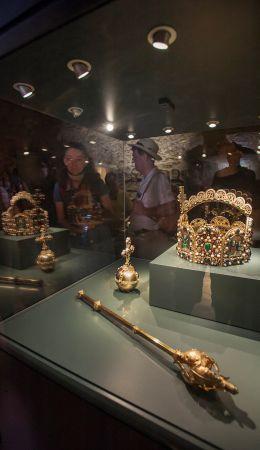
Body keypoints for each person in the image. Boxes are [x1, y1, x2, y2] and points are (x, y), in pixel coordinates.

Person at [53, 143, 114, 252]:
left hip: (100, 236)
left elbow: (110, 211)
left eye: (79, 160)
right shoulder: (60, 186)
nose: (73, 164)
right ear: (64, 161)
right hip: (76, 238)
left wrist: (96, 220)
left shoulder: (96, 182)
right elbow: (61, 219)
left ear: (86, 161)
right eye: (69, 159)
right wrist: (77, 230)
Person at [128, 138, 176, 259]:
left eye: (135, 156)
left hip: (152, 242)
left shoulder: (159, 178)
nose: (133, 160)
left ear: (144, 156)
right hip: (143, 240)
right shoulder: (145, 179)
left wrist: (145, 211)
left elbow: (170, 212)